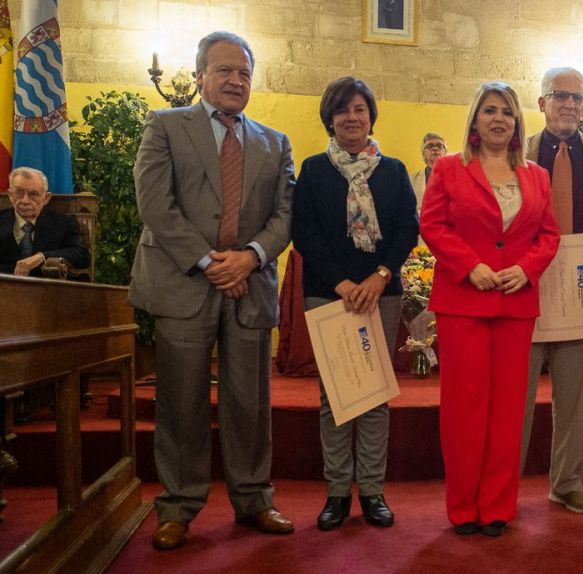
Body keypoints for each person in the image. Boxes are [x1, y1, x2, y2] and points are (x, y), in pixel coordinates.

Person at [129, 31, 295, 550]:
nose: (236, 80)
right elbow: (155, 204)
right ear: (199, 75)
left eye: (244, 72)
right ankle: (178, 506)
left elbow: (285, 214)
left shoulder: (275, 142)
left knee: (250, 404)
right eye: (224, 70)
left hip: (250, 285)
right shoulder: (165, 126)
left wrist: (249, 257)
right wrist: (209, 262)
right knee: (181, 403)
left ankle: (254, 499)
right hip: (183, 284)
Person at [421, 81, 560, 537]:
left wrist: (527, 268)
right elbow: (432, 225)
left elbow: (549, 235)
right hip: (463, 302)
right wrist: (470, 266)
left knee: (508, 410)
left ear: (517, 122)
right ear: (475, 121)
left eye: (507, 111)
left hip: (515, 304)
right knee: (464, 409)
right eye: (490, 110)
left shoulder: (537, 176)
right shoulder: (448, 168)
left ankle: (498, 506)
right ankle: (463, 506)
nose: (499, 118)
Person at [291, 77, 418, 532]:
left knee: (374, 394)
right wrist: (343, 283)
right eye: (342, 110)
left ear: (371, 116)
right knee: (336, 398)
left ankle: (373, 491)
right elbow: (304, 233)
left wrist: (379, 276)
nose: (351, 117)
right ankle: (337, 493)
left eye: (359, 109)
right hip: (329, 294)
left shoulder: (394, 171)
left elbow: (407, 229)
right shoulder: (313, 169)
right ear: (330, 118)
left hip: (382, 292)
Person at [521, 67, 583, 515]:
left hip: (581, 288)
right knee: (515, 399)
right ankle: (505, 484)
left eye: (578, 98)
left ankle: (567, 483)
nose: (571, 105)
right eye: (561, 96)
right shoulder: (518, 151)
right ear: (542, 103)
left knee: (575, 398)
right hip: (525, 290)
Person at [1, 167, 89, 278]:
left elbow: (82, 255)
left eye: (33, 194)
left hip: (49, 286)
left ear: (46, 198)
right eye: (19, 193)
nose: (25, 200)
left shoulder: (63, 223)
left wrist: (42, 256)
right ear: (10, 195)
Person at [410, 132, 447, 209]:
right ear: (423, 153)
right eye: (430, 146)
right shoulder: (412, 180)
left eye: (439, 146)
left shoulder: (457, 178)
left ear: (445, 152)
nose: (435, 149)